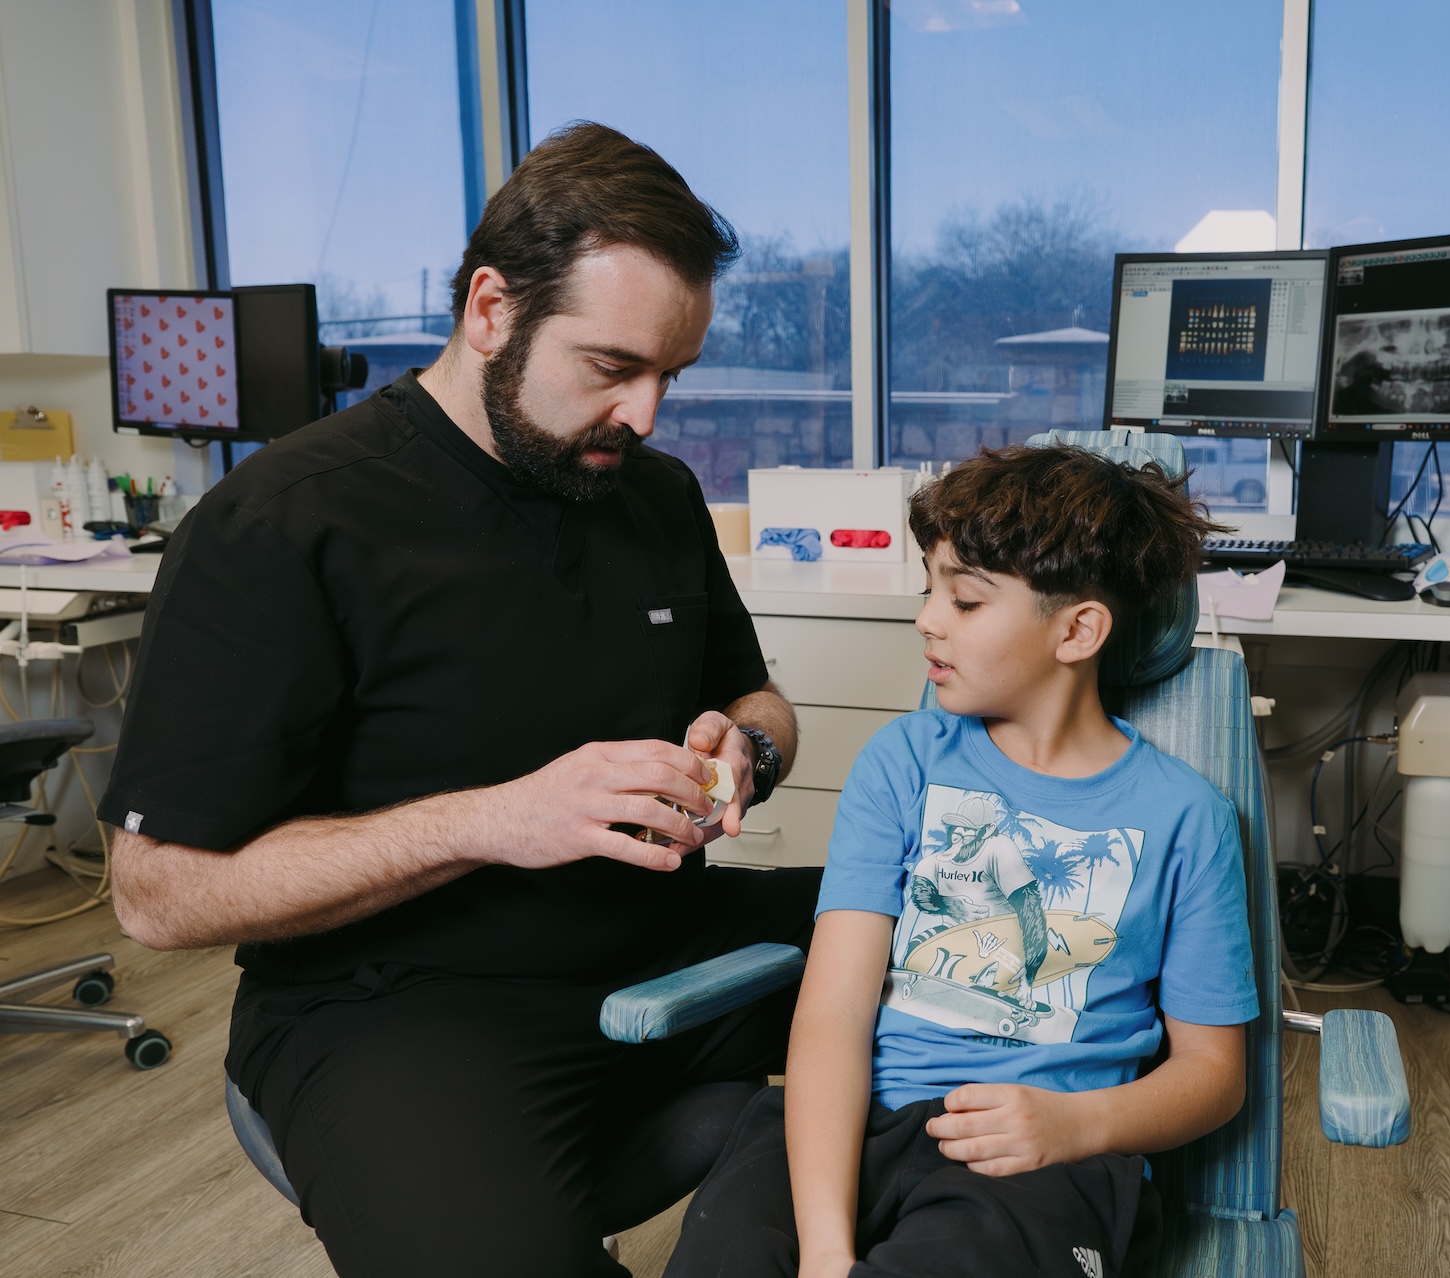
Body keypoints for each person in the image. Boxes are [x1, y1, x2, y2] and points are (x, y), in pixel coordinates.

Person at [100, 123, 816, 1277]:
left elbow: (759, 699)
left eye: (669, 376)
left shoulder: (654, 496)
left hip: (670, 943)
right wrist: (497, 820)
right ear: (492, 309)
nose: (646, 415)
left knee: (1007, 952)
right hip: (405, 1006)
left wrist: (748, 751)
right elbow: (157, 896)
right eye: (612, 368)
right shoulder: (281, 526)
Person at [666, 446, 1259, 1278]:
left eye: (966, 600)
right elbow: (833, 1013)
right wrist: (826, 1251)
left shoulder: (1187, 819)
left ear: (1079, 630)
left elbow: (1214, 1074)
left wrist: (1074, 1125)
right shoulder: (901, 762)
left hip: (1039, 1162)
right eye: (929, 589)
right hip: (853, 1125)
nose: (927, 620)